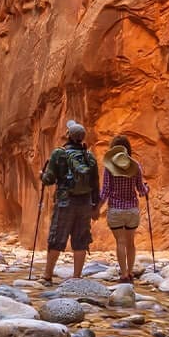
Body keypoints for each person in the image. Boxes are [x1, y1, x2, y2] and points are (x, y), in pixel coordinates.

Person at [40, 121, 99, 283]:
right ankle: (77, 277)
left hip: (64, 203)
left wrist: (41, 175)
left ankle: (47, 275)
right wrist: (95, 207)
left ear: (68, 136)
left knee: (57, 237)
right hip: (85, 203)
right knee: (81, 239)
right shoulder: (89, 156)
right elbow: (95, 183)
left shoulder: (59, 154)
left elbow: (49, 179)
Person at [99, 134, 147, 282]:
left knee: (120, 242)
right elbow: (141, 191)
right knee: (130, 243)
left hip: (115, 210)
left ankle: (124, 274)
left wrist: (96, 208)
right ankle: (131, 272)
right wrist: (147, 188)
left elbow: (105, 191)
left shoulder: (109, 168)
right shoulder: (136, 166)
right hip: (132, 210)